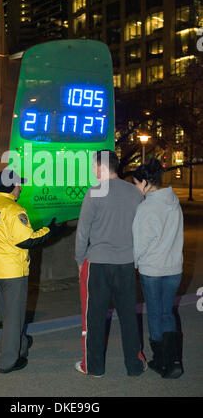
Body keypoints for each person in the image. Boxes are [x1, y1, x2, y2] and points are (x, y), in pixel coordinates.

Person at [0, 168, 64, 374]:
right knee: (14, 317)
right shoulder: (14, 210)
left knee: (9, 314)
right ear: (11, 187)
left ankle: (20, 343)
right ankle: (8, 361)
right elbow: (27, 240)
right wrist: (51, 230)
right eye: (18, 185)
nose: (20, 188)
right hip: (13, 272)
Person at [75, 150, 147, 377]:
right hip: (126, 264)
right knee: (128, 316)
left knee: (95, 317)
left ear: (102, 166)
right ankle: (134, 366)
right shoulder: (134, 193)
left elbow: (82, 232)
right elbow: (141, 230)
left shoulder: (94, 193)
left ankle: (94, 367)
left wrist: (79, 260)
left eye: (94, 166)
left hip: (99, 264)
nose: (93, 170)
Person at [132, 158, 184, 379]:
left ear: (145, 182)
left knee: (154, 313)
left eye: (136, 183)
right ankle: (174, 361)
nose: (135, 188)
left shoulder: (146, 207)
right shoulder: (173, 200)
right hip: (174, 268)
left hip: (152, 269)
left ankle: (160, 360)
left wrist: (132, 264)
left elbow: (140, 243)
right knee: (167, 313)